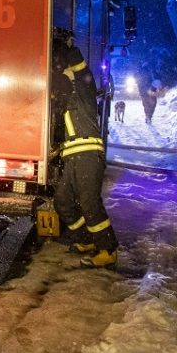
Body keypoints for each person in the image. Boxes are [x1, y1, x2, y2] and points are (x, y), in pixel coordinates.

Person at [51, 35, 119, 269]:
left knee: (89, 203)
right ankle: (87, 240)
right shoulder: (63, 102)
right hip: (72, 157)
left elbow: (81, 70)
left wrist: (69, 49)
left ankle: (107, 249)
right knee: (62, 201)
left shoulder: (85, 92)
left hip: (89, 155)